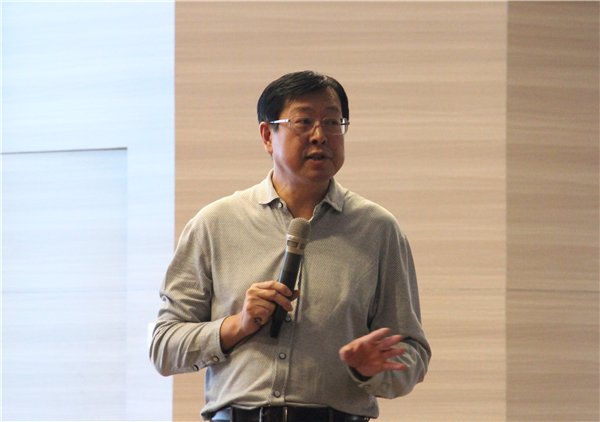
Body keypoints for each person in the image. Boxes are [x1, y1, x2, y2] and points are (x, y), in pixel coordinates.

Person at [150, 71, 431, 422]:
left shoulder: (378, 230)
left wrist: (371, 369)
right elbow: (164, 346)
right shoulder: (215, 224)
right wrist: (237, 324)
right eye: (304, 122)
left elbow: (412, 354)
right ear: (268, 136)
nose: (320, 135)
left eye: (332, 122)